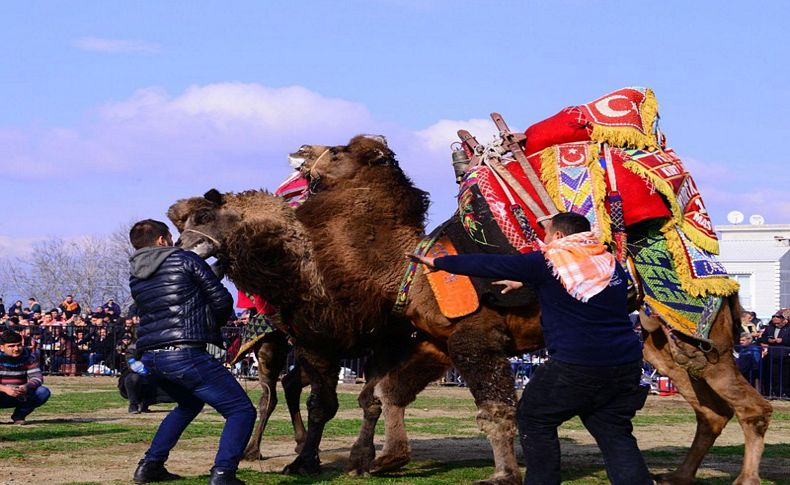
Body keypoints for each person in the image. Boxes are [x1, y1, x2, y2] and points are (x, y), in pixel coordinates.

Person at [410, 212, 651, 485]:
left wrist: (440, 262)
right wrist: (527, 282)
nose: (544, 239)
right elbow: (579, 290)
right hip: (625, 365)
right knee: (613, 431)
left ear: (559, 236)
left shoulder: (549, 261)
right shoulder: (608, 263)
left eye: (547, 233)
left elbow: (492, 264)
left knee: (534, 419)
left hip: (578, 365)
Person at [128, 219, 254, 485]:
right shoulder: (185, 260)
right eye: (171, 237)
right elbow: (221, 300)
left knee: (188, 404)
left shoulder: (136, 275)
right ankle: (223, 473)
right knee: (241, 410)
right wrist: (209, 330)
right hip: (185, 353)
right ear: (162, 240)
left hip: (151, 356)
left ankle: (150, 466)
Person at [0, 329, 50, 424]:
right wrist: (5, 389)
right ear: (2, 348)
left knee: (43, 392)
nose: (16, 348)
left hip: (20, 394)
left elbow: (37, 378)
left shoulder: (28, 357)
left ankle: (19, 415)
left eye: (19, 345)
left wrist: (26, 387)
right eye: (11, 346)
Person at [758, 312, 790, 398]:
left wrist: (782, 340)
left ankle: (785, 393)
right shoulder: (769, 328)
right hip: (772, 356)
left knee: (785, 376)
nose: (775, 318)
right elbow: (761, 339)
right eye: (773, 317)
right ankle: (775, 393)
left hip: (786, 356)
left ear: (784, 320)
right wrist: (768, 340)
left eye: (778, 317)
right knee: (773, 375)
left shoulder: (788, 328)